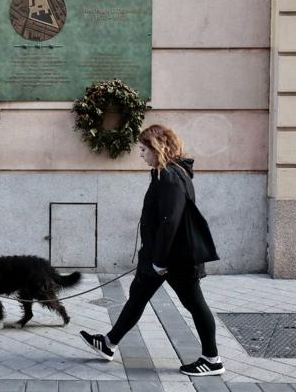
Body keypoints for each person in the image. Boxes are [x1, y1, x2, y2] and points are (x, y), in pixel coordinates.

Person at [80, 124, 224, 376]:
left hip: (173, 259)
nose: (140, 154)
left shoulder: (170, 176)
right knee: (137, 297)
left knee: (195, 304)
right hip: (160, 256)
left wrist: (159, 261)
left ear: (157, 148)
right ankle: (109, 343)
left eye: (143, 148)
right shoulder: (169, 173)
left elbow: (171, 221)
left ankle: (212, 359)